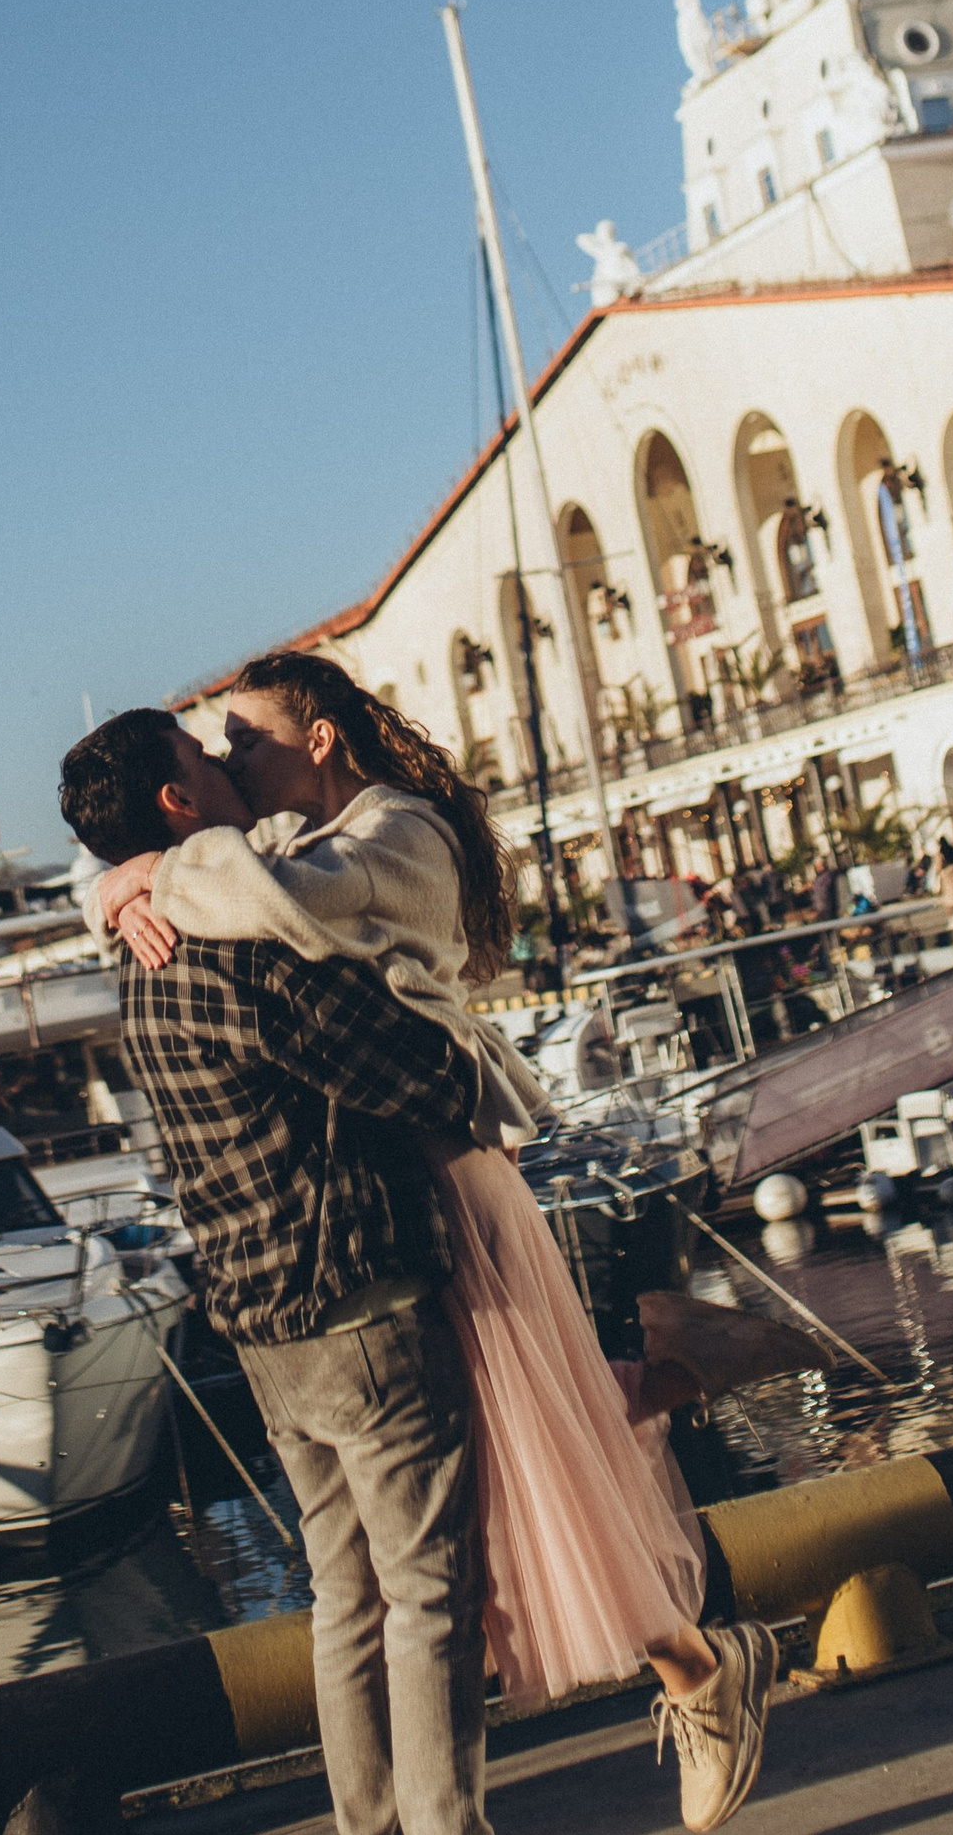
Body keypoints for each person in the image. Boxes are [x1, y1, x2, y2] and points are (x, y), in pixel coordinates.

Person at [61, 704, 661, 1835]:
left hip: (261, 1325)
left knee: (346, 1603)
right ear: (175, 804)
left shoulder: (143, 956)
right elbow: (417, 1072)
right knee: (430, 1600)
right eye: (206, 760)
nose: (228, 768)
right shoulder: (247, 954)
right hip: (359, 1300)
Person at [90, 658, 774, 1774]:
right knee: (505, 1462)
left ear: (319, 740)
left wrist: (143, 875)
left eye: (246, 741)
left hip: (451, 1174)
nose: (228, 762)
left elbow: (277, 907)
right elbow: (226, 885)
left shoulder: (391, 835)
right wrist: (125, 879)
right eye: (215, 750)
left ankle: (695, 1653)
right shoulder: (280, 842)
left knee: (521, 1452)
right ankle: (673, 1419)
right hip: (394, 1194)